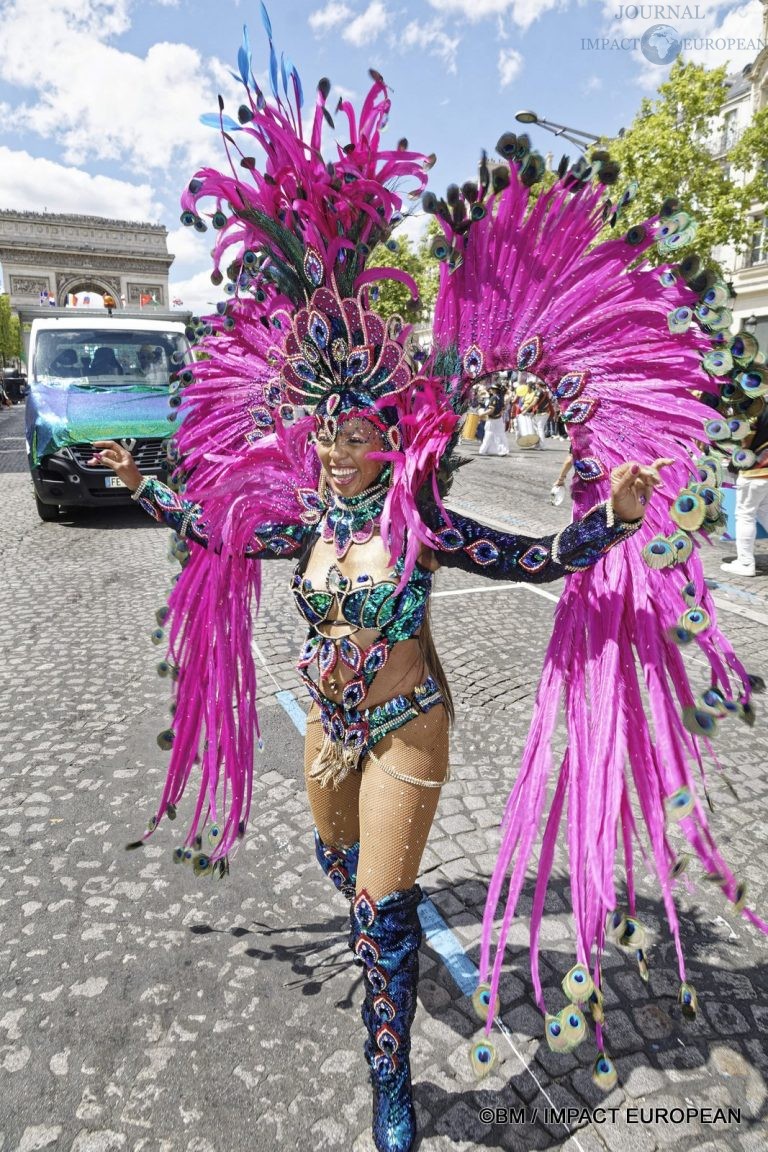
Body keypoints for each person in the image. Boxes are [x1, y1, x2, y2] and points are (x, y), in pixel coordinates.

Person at [86, 20, 763, 1152]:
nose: (342, 451)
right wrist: (142, 482)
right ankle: (366, 914)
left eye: (359, 434)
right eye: (328, 433)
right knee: (340, 864)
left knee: (381, 910)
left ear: (387, 432)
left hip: (408, 722)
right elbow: (212, 530)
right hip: (329, 735)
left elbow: (535, 556)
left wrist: (619, 516)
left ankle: (392, 1093)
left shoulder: (424, 520)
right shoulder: (307, 517)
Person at [721, 402, 768, 577]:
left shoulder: (753, 408)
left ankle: (745, 562)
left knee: (745, 515)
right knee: (764, 512)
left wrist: (734, 462)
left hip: (754, 471)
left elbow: (745, 441)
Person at [477, 375, 510, 456]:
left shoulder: (494, 398)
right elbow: (504, 408)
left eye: (492, 389)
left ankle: (483, 450)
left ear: (495, 390)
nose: (491, 390)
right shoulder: (501, 397)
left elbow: (491, 410)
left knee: (488, 435)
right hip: (498, 419)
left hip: (492, 420)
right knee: (500, 435)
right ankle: (502, 450)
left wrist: (482, 414)